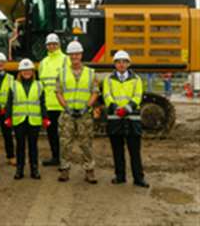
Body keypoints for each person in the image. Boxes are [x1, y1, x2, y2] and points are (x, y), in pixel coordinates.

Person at [103, 50, 149, 188]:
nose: (121, 64)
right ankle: (120, 176)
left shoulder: (137, 79)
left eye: (124, 62)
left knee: (134, 151)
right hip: (115, 119)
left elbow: (137, 96)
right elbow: (107, 96)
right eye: (118, 62)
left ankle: (138, 178)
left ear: (128, 63)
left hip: (132, 120)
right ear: (115, 64)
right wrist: (116, 108)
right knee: (117, 151)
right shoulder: (108, 80)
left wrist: (126, 109)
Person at [56, 41, 98, 184]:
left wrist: (87, 107)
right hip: (68, 114)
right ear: (68, 56)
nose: (74, 56)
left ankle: (90, 171)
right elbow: (59, 92)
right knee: (65, 143)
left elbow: (95, 92)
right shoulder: (61, 73)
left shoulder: (91, 73)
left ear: (81, 55)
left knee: (86, 143)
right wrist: (66, 107)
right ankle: (64, 169)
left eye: (77, 54)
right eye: (72, 54)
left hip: (84, 114)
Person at [6, 58, 49, 180]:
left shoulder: (39, 85)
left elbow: (42, 103)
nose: (26, 72)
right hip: (19, 120)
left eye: (29, 70)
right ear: (20, 72)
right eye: (24, 70)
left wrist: (45, 117)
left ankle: (34, 169)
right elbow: (9, 103)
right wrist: (8, 117)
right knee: (20, 146)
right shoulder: (13, 85)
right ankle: (19, 169)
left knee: (33, 146)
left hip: (33, 120)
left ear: (32, 71)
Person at [38, 33, 69, 167]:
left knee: (63, 135)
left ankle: (64, 159)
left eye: (54, 44)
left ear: (58, 45)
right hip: (48, 106)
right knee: (51, 134)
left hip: (61, 104)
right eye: (49, 44)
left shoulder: (65, 60)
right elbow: (41, 83)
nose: (52, 46)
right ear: (46, 46)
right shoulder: (43, 62)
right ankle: (55, 157)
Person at [0, 52, 16, 166]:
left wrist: (7, 108)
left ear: (5, 63)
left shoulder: (11, 78)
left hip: (6, 111)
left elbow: (13, 95)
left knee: (8, 135)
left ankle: (10, 156)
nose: (0, 64)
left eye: (2, 62)